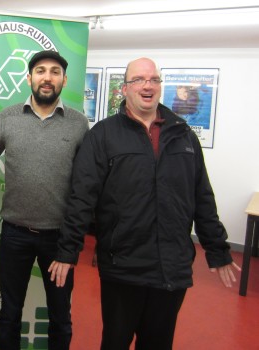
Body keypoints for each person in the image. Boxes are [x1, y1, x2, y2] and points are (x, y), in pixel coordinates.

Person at [52, 57, 241, 350]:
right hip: (123, 265)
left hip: (172, 267)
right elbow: (82, 196)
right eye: (139, 79)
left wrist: (217, 249)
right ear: (125, 89)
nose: (147, 85)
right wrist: (68, 250)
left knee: (158, 343)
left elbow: (202, 197)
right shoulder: (103, 135)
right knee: (115, 341)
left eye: (154, 79)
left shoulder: (184, 137)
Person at [0, 50, 90, 350]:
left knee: (60, 316)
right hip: (14, 234)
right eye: (40, 71)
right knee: (9, 314)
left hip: (59, 239)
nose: (47, 77)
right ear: (29, 78)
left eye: (55, 72)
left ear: (64, 80)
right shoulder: (9, 117)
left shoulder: (78, 123)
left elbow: (86, 184)